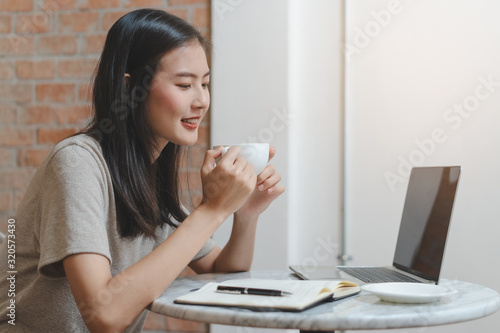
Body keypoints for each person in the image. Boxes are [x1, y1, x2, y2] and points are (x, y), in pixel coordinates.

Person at [0, 8, 284, 332]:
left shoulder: (148, 180)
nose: (202, 100)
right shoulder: (77, 164)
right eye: (184, 84)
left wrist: (243, 213)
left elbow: (222, 271)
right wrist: (212, 210)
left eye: (204, 84)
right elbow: (102, 315)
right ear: (130, 89)